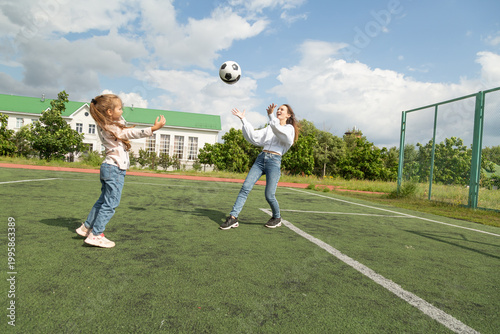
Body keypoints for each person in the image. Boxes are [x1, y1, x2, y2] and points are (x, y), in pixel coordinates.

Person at [76, 94, 166, 248]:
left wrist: (116, 113)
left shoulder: (104, 123)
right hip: (114, 168)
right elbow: (129, 133)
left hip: (108, 167)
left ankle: (86, 227)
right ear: (109, 112)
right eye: (119, 108)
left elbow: (122, 124)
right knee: (111, 203)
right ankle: (96, 235)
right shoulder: (112, 126)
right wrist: (152, 129)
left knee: (103, 200)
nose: (122, 111)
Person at [220, 103, 299, 230]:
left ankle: (277, 217)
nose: (278, 110)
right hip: (261, 159)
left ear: (288, 115)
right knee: (245, 187)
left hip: (274, 161)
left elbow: (280, 132)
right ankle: (233, 217)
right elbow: (254, 137)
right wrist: (243, 119)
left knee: (269, 195)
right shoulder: (270, 127)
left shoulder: (289, 129)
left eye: (282, 109)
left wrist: (270, 115)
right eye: (278, 109)